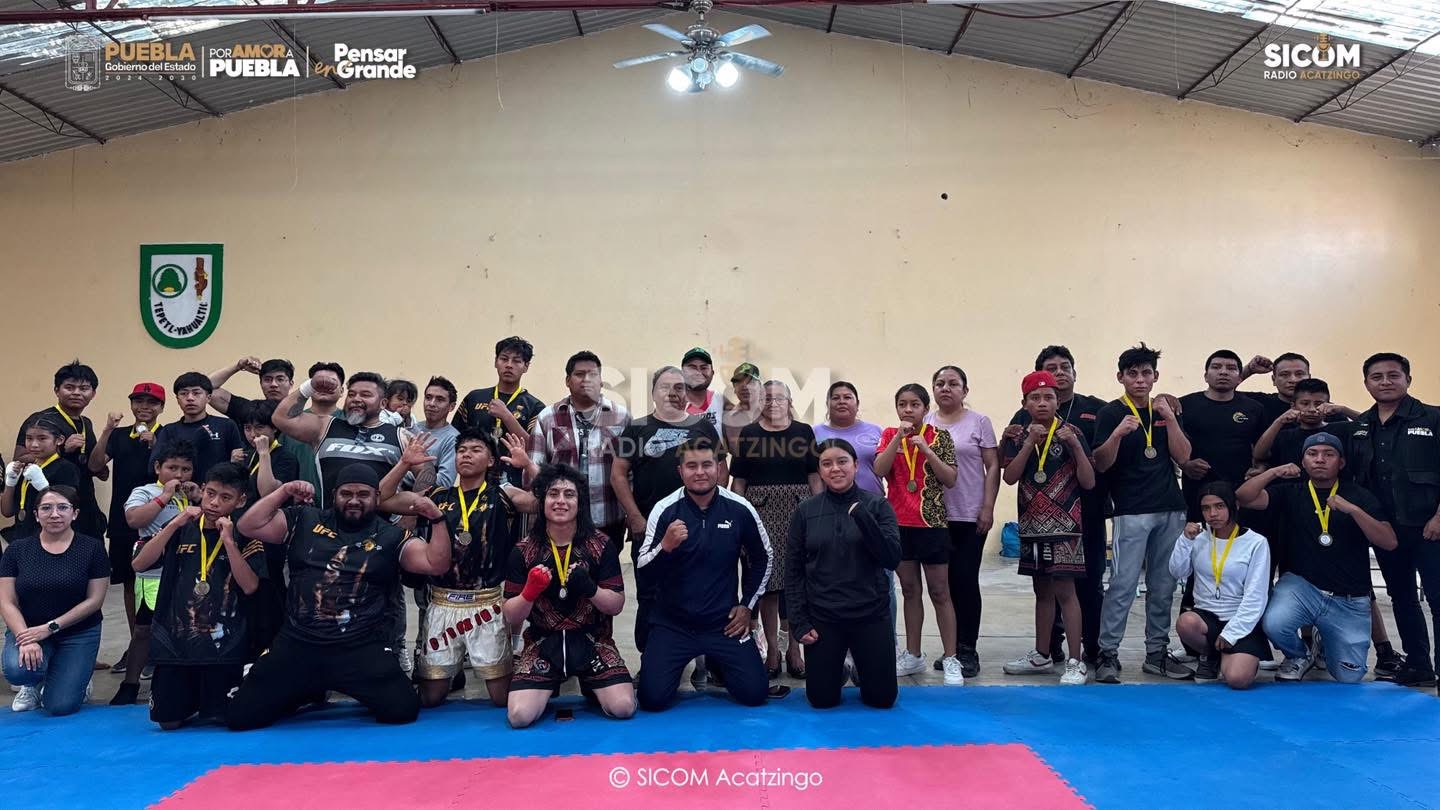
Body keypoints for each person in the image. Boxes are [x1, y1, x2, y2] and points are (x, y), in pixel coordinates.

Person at [227, 467, 451, 729]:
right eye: (346, 493)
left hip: (358, 646)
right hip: (299, 643)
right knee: (240, 717)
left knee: (402, 710)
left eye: (363, 494)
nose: (354, 500)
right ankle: (306, 690)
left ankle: (312, 688)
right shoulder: (305, 518)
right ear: (334, 495)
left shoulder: (391, 535)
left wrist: (437, 519)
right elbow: (248, 525)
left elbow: (435, 564)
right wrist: (283, 491)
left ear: (377, 497)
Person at [380, 430, 535, 708]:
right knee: (431, 697)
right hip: (442, 603)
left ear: (490, 460)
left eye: (475, 450)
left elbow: (544, 501)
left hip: (486, 604)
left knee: (501, 698)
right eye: (462, 450)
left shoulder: (503, 494)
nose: (466, 455)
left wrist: (528, 465)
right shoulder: (437, 495)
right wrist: (404, 464)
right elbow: (382, 499)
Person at [1238, 433, 1397, 682]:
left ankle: (1324, 638)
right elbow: (1243, 497)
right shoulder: (1291, 492)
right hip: (1302, 589)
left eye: (1328, 454)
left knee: (1349, 676)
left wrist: (1353, 511)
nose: (1320, 459)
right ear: (1303, 462)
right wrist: (1274, 472)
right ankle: (1298, 655)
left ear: (1341, 462)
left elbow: (1389, 541)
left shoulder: (1359, 495)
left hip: (1348, 598)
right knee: (1274, 623)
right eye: (1312, 454)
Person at [636, 438, 774, 710]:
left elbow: (764, 557)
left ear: (719, 468)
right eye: (692, 466)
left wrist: (747, 606)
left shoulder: (740, 508)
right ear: (680, 472)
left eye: (707, 465)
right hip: (673, 624)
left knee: (754, 694)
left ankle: (716, 662)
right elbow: (643, 572)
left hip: (723, 623)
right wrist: (665, 546)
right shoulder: (664, 509)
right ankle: (683, 663)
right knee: (652, 699)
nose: (700, 472)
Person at [1332, 353, 1440, 688]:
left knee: (1438, 598)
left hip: (1429, 528)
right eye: (1376, 377)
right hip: (1386, 531)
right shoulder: (1361, 427)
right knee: (1402, 597)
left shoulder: (1433, 418)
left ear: (1408, 379)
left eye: (1393, 375)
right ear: (1366, 383)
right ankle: (1418, 666)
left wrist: (1439, 517)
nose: (1385, 382)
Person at [129, 463, 263, 729]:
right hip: (178, 644)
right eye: (210, 493)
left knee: (230, 719)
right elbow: (139, 564)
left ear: (240, 501)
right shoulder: (182, 526)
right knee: (168, 722)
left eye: (225, 497)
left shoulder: (245, 533)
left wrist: (229, 542)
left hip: (225, 646)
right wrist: (173, 525)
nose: (214, 503)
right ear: (202, 490)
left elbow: (249, 586)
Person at [503, 464, 635, 728]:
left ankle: (593, 684)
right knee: (519, 716)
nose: (560, 501)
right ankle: (550, 684)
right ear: (542, 501)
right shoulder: (524, 550)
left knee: (623, 707)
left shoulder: (601, 545)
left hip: (593, 641)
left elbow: (616, 605)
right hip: (543, 642)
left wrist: (591, 588)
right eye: (553, 494)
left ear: (580, 502)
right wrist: (529, 592)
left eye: (569, 494)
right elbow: (510, 615)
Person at [1092, 343, 1194, 683]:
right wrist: (1117, 435)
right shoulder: (1110, 414)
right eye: (1132, 373)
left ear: (1155, 377)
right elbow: (1101, 463)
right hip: (1131, 510)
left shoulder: (1165, 410)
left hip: (1171, 507)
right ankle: (1108, 653)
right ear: (1120, 377)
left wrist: (1170, 419)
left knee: (1163, 585)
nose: (1140, 379)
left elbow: (1183, 457)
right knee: (1122, 584)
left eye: (1146, 373)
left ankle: (1156, 653)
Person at [1002, 346, 1109, 666]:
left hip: (1068, 527)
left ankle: (1077, 660)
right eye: (1035, 398)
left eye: (1048, 397)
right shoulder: (1020, 432)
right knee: (1042, 592)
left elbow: (1089, 481)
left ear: (1057, 401)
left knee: (1069, 591)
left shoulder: (1073, 431)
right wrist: (1027, 444)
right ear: (1024, 403)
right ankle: (1043, 653)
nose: (1042, 403)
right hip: (1032, 525)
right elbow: (1009, 476)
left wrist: (1074, 444)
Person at [611, 366, 723, 652]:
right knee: (651, 595)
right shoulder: (636, 428)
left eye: (679, 387)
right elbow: (618, 475)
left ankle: (704, 659)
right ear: (653, 393)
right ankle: (651, 657)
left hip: (698, 528)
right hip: (649, 529)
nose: (673, 393)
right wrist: (635, 517)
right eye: (665, 387)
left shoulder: (703, 427)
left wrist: (713, 514)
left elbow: (720, 470)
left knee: (701, 591)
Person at [789, 438, 901, 709]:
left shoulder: (877, 506)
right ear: (820, 470)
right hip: (824, 617)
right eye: (827, 464)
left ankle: (862, 664)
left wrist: (863, 517)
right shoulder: (806, 511)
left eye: (842, 462)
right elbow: (793, 571)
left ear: (856, 465)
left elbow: (891, 558)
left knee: (882, 700)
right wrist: (799, 622)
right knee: (821, 700)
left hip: (870, 615)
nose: (835, 469)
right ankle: (837, 666)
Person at [730, 380, 821, 679]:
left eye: (779, 398)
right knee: (766, 584)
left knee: (796, 582)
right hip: (761, 514)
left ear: (790, 401)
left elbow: (814, 475)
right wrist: (740, 517)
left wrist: (820, 512)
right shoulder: (749, 433)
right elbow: (739, 481)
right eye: (767, 398)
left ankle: (794, 649)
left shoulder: (804, 432)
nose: (773, 403)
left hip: (799, 511)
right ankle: (772, 650)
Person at [875, 384, 962, 685]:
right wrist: (897, 440)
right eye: (903, 404)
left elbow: (950, 478)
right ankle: (913, 654)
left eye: (915, 404)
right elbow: (879, 470)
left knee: (940, 592)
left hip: (932, 524)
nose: (908, 409)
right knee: (910, 591)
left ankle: (951, 657)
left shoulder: (940, 436)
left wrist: (925, 449)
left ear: (926, 408)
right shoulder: (889, 434)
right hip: (899, 524)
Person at [0, 486, 109, 715]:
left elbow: (94, 601)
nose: (55, 514)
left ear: (75, 513)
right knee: (18, 671)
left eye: (63, 508)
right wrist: (25, 638)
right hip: (30, 629)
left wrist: (50, 628)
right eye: (46, 508)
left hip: (78, 632)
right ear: (36, 515)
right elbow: (6, 601)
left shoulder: (93, 549)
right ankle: (32, 684)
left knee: (60, 706)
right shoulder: (17, 550)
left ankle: (78, 678)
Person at [110, 440, 199, 705]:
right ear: (158, 467)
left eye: (185, 469)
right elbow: (134, 520)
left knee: (185, 627)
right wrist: (164, 496)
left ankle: (179, 682)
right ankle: (130, 683)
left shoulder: (192, 493)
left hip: (186, 571)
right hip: (153, 573)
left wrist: (198, 498)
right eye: (173, 468)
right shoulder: (145, 491)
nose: (179, 474)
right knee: (143, 631)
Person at [925, 366, 999, 679]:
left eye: (953, 383)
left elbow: (993, 466)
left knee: (965, 580)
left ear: (965, 391)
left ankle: (968, 648)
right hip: (934, 516)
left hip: (969, 514)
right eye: (940, 383)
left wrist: (988, 507)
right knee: (942, 586)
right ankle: (951, 649)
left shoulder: (979, 422)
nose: (946, 388)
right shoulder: (926, 422)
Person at [87, 382, 165, 672]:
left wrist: (156, 446)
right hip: (123, 522)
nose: (144, 407)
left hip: (160, 521)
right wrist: (107, 429)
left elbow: (178, 469)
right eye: (138, 401)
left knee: (163, 583)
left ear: (161, 407)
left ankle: (160, 648)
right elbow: (95, 466)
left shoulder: (167, 435)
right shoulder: (119, 436)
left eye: (151, 402)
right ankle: (137, 647)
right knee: (131, 583)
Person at [1169, 482, 1271, 689]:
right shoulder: (1199, 537)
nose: (1212, 514)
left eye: (1219, 506)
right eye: (1206, 508)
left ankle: (1231, 656)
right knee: (1185, 622)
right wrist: (1185, 541)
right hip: (1206, 616)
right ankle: (1210, 656)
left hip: (1241, 619)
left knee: (1238, 679)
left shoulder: (1256, 542)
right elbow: (1178, 572)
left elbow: (1256, 596)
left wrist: (1232, 633)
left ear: (1234, 506)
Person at [529, 351, 632, 552]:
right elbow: (535, 472)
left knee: (606, 571)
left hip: (609, 520)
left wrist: (632, 513)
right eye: (579, 374)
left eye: (593, 374)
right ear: (568, 381)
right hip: (561, 522)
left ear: (601, 381)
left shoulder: (621, 417)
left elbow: (631, 472)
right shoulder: (548, 418)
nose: (586, 380)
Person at [813, 381, 893, 635]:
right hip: (831, 512)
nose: (841, 401)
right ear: (827, 403)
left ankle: (886, 639)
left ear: (857, 403)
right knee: (837, 575)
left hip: (872, 511)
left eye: (848, 397)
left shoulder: (876, 431)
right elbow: (811, 475)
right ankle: (841, 645)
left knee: (881, 576)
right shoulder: (814, 433)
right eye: (835, 397)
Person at [12, 361, 106, 540]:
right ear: (57, 390)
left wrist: (99, 468)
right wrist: (61, 450)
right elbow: (20, 458)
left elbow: (89, 461)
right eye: (69, 387)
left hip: (82, 501)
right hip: (48, 504)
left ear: (93, 393)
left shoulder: (86, 423)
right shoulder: (41, 420)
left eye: (84, 388)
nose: (76, 393)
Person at [239, 400, 300, 656]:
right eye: (248, 428)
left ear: (274, 428)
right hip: (243, 535)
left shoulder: (284, 457)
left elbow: (268, 492)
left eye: (260, 427)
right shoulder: (245, 456)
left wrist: (264, 454)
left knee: (270, 593)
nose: (254, 434)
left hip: (271, 538)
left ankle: (274, 650)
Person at [1178, 351, 1266, 521]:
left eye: (1231, 368)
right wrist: (1185, 464)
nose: (1223, 372)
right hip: (1197, 488)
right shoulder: (1185, 405)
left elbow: (1262, 450)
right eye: (1216, 367)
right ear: (1206, 376)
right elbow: (1170, 444)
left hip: (1240, 488)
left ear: (1239, 378)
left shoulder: (1254, 408)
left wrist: (1261, 468)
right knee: (1200, 535)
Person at [454, 337, 545, 486]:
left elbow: (534, 448)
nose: (509, 365)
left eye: (516, 361)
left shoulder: (535, 406)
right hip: (473, 482)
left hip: (515, 483)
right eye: (504, 359)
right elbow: (455, 438)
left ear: (526, 366)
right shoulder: (474, 398)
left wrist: (507, 416)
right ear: (496, 362)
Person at [3, 417, 85, 542]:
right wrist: (10, 482)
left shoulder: (67, 469)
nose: (34, 444)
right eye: (29, 438)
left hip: (51, 540)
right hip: (22, 537)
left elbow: (66, 512)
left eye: (42, 438)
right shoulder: (26, 469)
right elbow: (7, 511)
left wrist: (43, 487)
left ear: (59, 440)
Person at [161, 372, 245, 480]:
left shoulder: (227, 425)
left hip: (218, 487)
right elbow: (155, 466)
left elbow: (239, 462)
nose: (190, 398)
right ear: (177, 399)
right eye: (184, 393)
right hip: (180, 488)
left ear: (208, 398)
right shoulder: (169, 430)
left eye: (196, 393)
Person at [1239, 352, 1358, 426]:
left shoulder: (1327, 409)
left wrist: (1344, 409)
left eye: (1299, 374)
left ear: (1309, 377)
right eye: (1284, 374)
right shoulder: (1260, 403)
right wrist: (1249, 370)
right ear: (1274, 380)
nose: (1293, 380)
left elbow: (1366, 425)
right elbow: (1227, 393)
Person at [1253, 378, 1338, 468]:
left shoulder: (1340, 429)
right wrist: (1279, 421)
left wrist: (1343, 409)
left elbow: (1352, 423)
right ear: (1293, 406)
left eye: (1318, 404)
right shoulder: (1285, 436)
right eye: (1305, 404)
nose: (1312, 409)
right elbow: (1259, 455)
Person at [410, 376, 461, 488]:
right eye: (428, 398)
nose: (432, 403)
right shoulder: (412, 428)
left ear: (451, 407)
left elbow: (444, 483)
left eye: (440, 400)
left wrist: (411, 468)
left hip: (424, 496)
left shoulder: (453, 438)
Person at [722, 362, 764, 453]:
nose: (744, 386)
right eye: (739, 382)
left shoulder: (773, 415)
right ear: (734, 389)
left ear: (760, 386)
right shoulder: (727, 420)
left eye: (750, 382)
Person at [681, 347, 726, 431]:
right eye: (692, 368)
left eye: (704, 368)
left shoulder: (719, 398)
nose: (698, 372)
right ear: (682, 372)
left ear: (712, 373)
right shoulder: (674, 404)